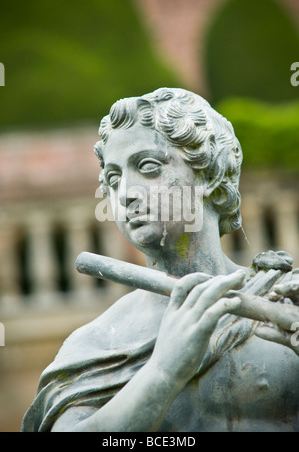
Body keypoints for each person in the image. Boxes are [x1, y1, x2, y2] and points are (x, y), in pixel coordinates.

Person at [21, 87, 299, 432]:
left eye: (148, 167)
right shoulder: (96, 344)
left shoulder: (284, 299)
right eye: (113, 178)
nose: (126, 193)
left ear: (209, 173)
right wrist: (163, 372)